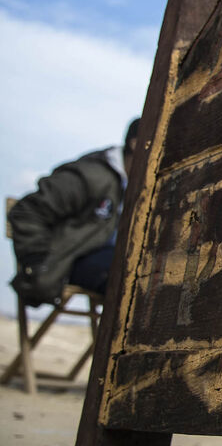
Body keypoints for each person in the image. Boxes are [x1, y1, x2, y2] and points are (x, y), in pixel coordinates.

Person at [8, 118, 140, 306]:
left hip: (110, 260)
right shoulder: (92, 176)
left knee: (149, 273)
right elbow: (26, 211)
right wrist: (37, 262)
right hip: (71, 261)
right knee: (132, 274)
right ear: (136, 144)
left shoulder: (143, 188)